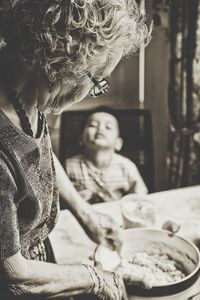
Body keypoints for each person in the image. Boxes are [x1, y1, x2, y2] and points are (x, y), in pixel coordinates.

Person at [0, 0, 151, 299]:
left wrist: (86, 214)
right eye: (98, 81)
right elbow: (15, 276)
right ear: (63, 64)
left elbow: (35, 161)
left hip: (39, 256)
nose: (92, 92)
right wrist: (95, 279)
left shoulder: (21, 83)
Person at [66, 106, 148, 204]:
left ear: (118, 143)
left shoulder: (126, 167)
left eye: (108, 127)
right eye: (93, 125)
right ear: (81, 139)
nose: (100, 128)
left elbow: (141, 198)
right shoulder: (69, 166)